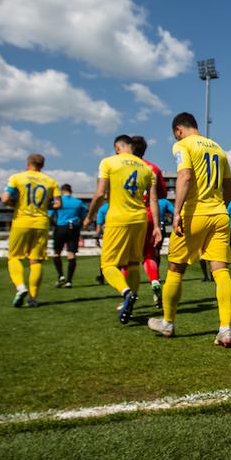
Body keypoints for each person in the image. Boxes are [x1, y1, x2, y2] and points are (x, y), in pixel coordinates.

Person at [147, 112, 231, 343]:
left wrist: (176, 212)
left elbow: (184, 176)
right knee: (221, 271)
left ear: (178, 130)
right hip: (219, 214)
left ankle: (167, 323)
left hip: (194, 214)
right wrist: (221, 207)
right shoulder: (218, 148)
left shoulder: (182, 145)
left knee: (175, 269)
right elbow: (229, 186)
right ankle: (225, 329)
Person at [83, 135, 159, 325]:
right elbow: (153, 200)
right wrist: (156, 226)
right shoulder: (147, 168)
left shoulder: (108, 162)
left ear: (118, 147)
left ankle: (126, 293)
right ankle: (131, 301)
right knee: (134, 263)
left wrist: (90, 216)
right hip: (140, 219)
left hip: (118, 218)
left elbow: (100, 193)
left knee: (107, 265)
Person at [2, 154, 60, 307]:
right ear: (42, 165)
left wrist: (13, 204)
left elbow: (5, 198)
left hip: (21, 221)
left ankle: (21, 287)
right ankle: (33, 298)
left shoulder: (17, 178)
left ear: (28, 163)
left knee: (14, 257)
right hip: (41, 223)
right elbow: (57, 204)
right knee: (36, 261)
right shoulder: (51, 181)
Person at [131, 135, 168, 305]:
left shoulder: (119, 166)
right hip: (149, 215)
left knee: (129, 260)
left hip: (129, 217)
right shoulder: (153, 168)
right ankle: (154, 281)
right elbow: (161, 195)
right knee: (149, 255)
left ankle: (129, 294)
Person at [50, 184, 87, 288]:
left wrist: (54, 224)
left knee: (57, 253)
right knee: (71, 254)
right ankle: (69, 281)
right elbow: (84, 216)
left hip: (60, 227)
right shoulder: (78, 202)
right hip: (73, 228)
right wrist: (79, 225)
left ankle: (61, 275)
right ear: (71, 191)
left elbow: (49, 214)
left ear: (62, 191)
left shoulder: (58, 201)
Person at [94, 201, 108, 285]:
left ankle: (102, 277)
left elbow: (99, 225)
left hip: (107, 234)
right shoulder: (122, 204)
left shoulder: (103, 208)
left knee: (105, 257)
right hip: (122, 233)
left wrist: (96, 236)